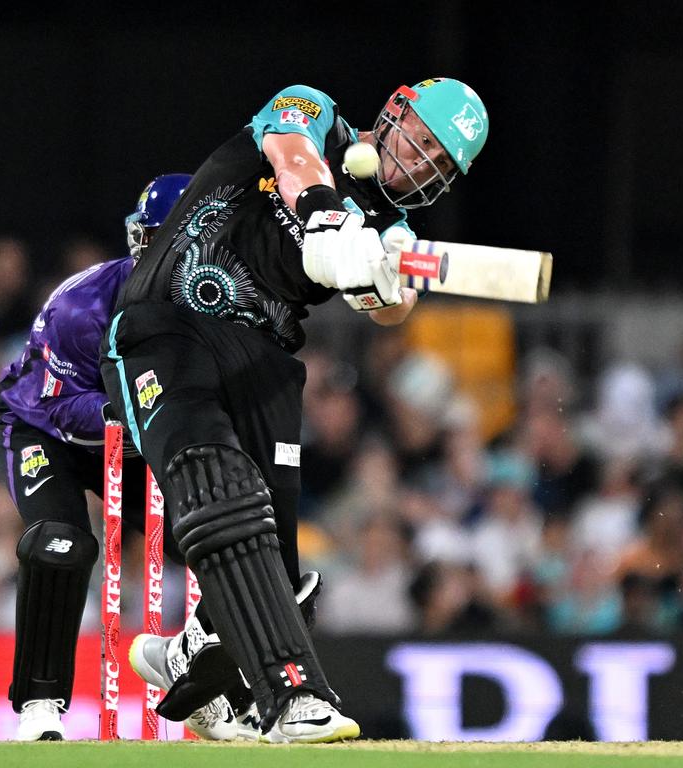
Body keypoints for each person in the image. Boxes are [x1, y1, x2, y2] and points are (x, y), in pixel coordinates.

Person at [101, 78, 487, 742]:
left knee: (281, 572)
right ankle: (295, 696)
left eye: (438, 164)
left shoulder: (386, 226)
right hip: (169, 325)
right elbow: (290, 153)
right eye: (421, 142)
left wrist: (388, 276)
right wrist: (326, 213)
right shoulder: (313, 113)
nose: (420, 163)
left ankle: (190, 661)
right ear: (392, 112)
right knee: (219, 495)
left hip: (265, 360)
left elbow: (393, 310)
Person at [0, 174, 205, 740]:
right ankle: (39, 706)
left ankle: (209, 687)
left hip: (135, 436)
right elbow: (64, 409)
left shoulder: (217, 308)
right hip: (47, 430)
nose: (152, 259)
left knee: (212, 538)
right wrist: (143, 406)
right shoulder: (80, 307)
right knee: (59, 545)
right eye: (147, 241)